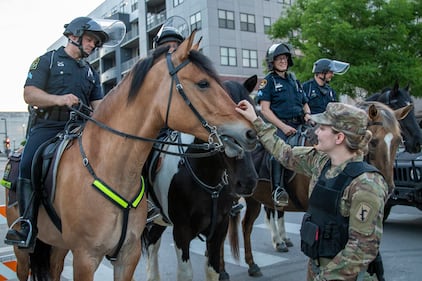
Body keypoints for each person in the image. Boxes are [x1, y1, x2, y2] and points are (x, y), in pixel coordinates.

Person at [235, 100, 388, 281]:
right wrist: (255, 119)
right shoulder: (320, 162)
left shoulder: (366, 185)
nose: (316, 132)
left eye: (323, 128)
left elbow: (362, 248)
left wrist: (324, 278)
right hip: (317, 268)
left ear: (339, 138)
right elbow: (283, 152)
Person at [4, 17, 118, 249]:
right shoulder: (47, 60)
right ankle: (26, 223)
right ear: (74, 36)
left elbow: (99, 107)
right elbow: (29, 94)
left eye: (96, 43)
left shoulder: (90, 72)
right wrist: (59, 99)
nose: (93, 46)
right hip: (47, 127)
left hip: (81, 129)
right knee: (27, 163)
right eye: (90, 40)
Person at [256, 43, 311, 207]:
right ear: (272, 62)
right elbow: (265, 110)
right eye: (279, 59)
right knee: (277, 154)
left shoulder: (294, 80)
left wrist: (308, 114)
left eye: (285, 58)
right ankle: (278, 190)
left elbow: (305, 103)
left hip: (300, 123)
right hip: (279, 125)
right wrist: (283, 127)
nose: (283, 61)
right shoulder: (268, 81)